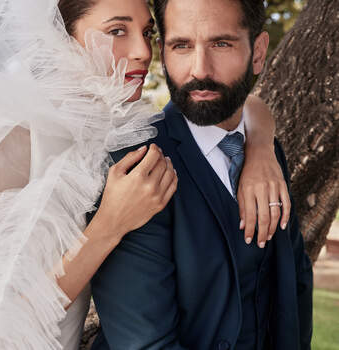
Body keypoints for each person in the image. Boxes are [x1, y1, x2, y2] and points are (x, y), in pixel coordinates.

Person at [0, 0, 290, 349]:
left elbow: (241, 104)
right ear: (62, 37)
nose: (143, 51)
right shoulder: (12, 141)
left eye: (147, 32)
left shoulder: (113, 125)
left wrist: (261, 150)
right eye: (117, 31)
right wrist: (109, 226)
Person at [89, 0, 313, 349]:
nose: (200, 69)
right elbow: (145, 343)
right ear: (163, 54)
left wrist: (262, 146)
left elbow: (294, 285)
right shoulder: (135, 164)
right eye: (181, 46)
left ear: (258, 52)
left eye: (221, 43)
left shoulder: (268, 153)